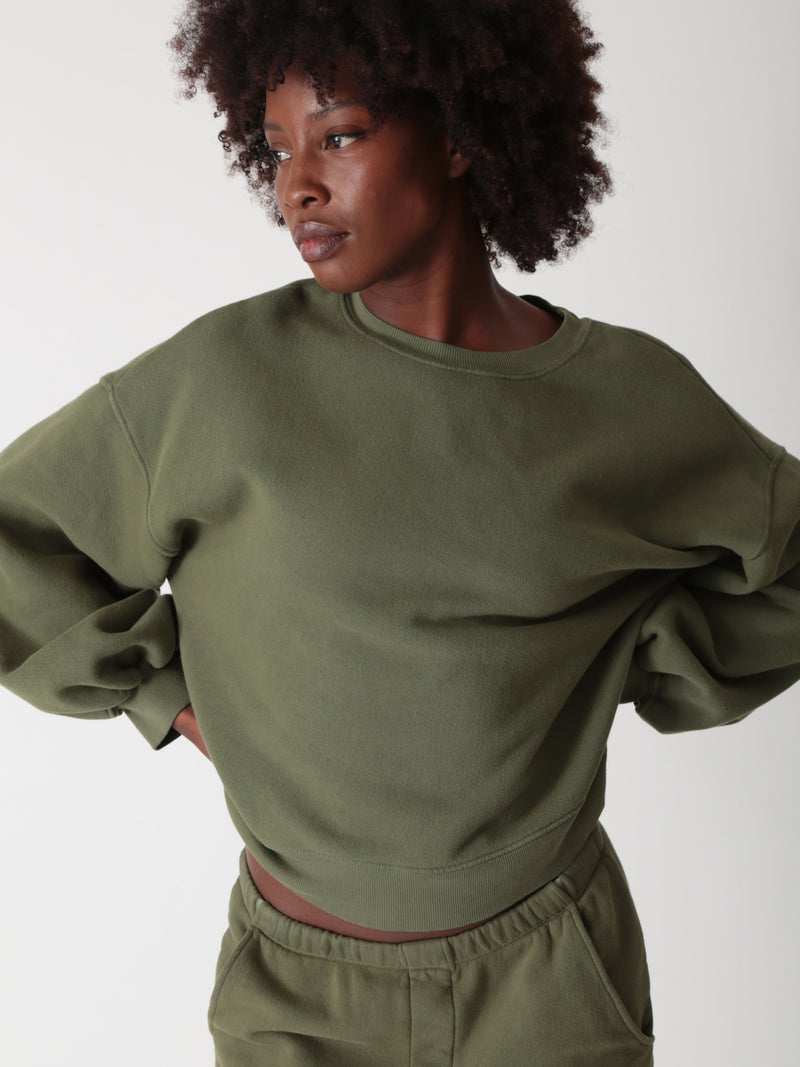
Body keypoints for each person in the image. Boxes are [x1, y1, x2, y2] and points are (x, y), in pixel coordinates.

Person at [1, 1, 798, 1064]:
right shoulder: (223, 381)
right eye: (276, 147)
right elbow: (15, 536)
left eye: (339, 135)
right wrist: (169, 698)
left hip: (550, 979)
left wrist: (642, 652)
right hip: (299, 994)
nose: (297, 185)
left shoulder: (626, 400)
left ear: (459, 134)